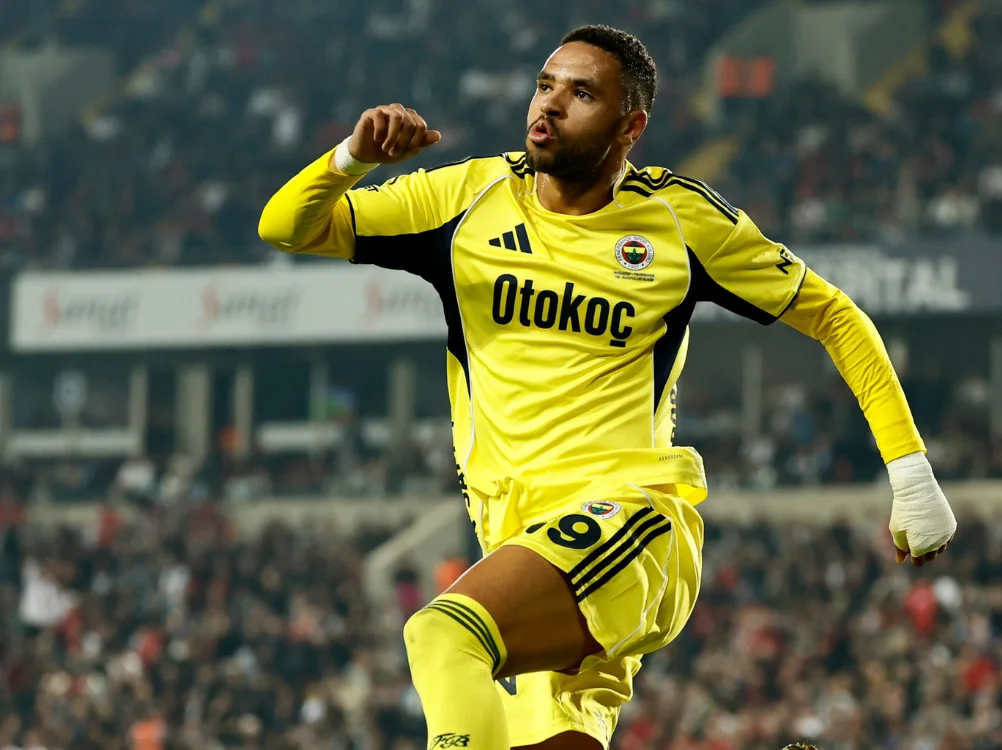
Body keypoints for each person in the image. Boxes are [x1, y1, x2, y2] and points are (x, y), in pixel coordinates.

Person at [259, 24, 957, 750]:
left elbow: (836, 317)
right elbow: (287, 227)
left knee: (442, 635)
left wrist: (911, 474)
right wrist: (350, 159)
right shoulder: (467, 198)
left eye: (582, 93)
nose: (552, 105)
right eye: (545, 85)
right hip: (522, 546)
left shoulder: (679, 221)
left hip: (631, 520)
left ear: (631, 127)